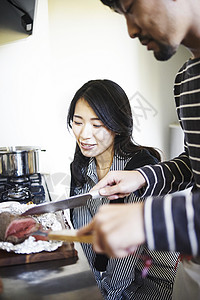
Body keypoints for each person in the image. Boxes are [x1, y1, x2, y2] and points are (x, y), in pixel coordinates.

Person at [77, 0, 200, 299]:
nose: (130, 29)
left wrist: (147, 219)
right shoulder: (186, 78)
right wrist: (143, 177)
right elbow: (194, 163)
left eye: (130, 7)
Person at [67, 79, 179, 299]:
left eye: (97, 125)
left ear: (117, 125)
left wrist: (104, 294)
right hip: (111, 281)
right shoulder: (82, 166)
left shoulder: (137, 172)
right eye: (78, 122)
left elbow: (123, 264)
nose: (84, 134)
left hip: (153, 284)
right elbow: (85, 235)